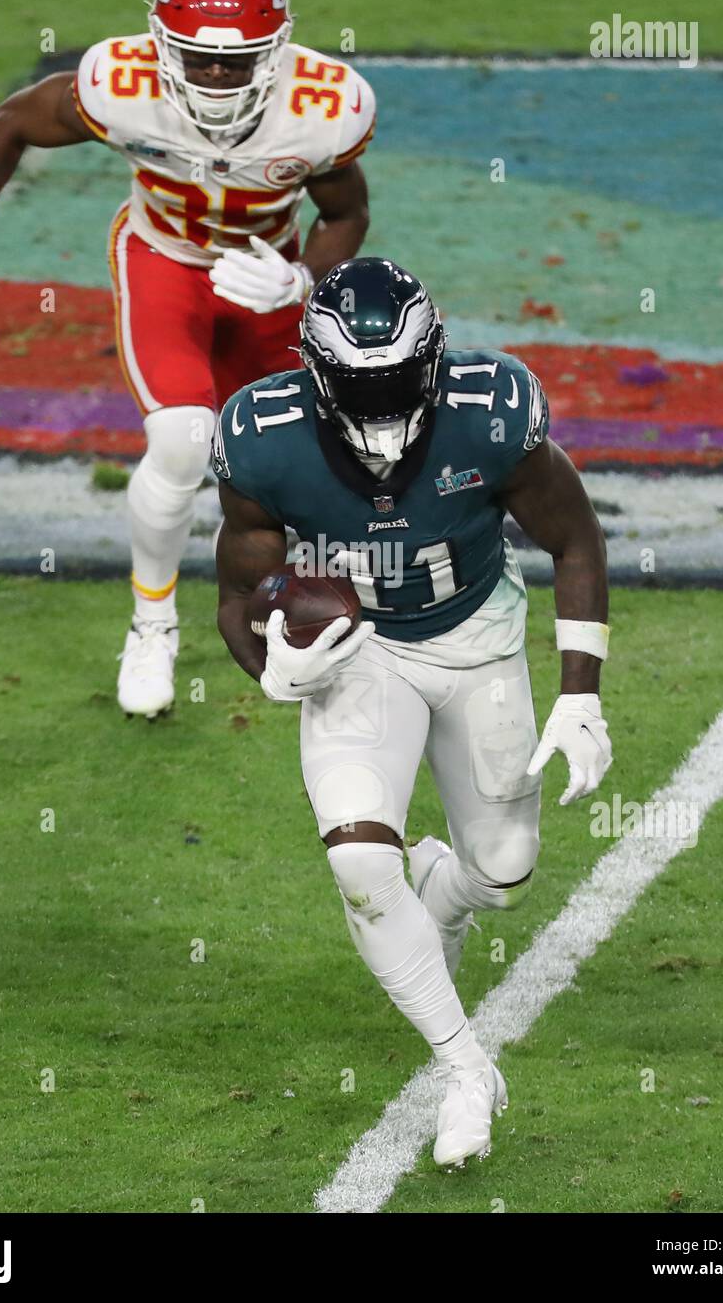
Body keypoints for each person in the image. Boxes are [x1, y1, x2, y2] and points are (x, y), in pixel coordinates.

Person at [212, 256, 613, 1168]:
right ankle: (465, 1068)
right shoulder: (262, 436)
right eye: (361, 381)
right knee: (357, 857)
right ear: (315, 376)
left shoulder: (492, 409)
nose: (382, 398)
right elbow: (238, 588)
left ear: (432, 358)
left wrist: (581, 691)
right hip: (362, 657)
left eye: (396, 377)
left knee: (504, 873)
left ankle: (444, 889)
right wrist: (268, 663)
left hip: (477, 638)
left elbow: (572, 535)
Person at [0, 0, 375, 717]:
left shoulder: (323, 108)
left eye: (235, 63)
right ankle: (151, 623)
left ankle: (284, 603)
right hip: (163, 261)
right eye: (197, 58)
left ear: (278, 51)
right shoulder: (119, 87)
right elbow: (9, 125)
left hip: (263, 279)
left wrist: (299, 278)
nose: (213, 77)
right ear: (162, 45)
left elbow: (345, 212)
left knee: (279, 460)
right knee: (180, 439)